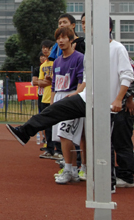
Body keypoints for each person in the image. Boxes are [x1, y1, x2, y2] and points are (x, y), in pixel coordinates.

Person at [7, 17, 133, 191]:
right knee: (56, 109)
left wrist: (119, 98)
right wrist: (77, 94)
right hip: (87, 97)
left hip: (107, 104)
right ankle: (25, 131)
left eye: (94, 26)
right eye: (89, 27)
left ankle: (107, 183)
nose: (90, 30)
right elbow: (88, 78)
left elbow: (127, 75)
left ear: (108, 28)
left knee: (104, 143)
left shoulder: (117, 48)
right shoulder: (91, 49)